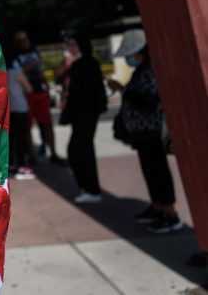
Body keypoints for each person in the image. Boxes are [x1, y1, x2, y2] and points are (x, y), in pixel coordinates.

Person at [109, 29, 183, 233]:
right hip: (142, 133)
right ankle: (157, 206)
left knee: (158, 172)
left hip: (152, 131)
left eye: (130, 54)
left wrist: (125, 91)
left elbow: (149, 100)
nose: (128, 59)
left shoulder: (150, 70)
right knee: (150, 171)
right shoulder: (142, 70)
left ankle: (170, 213)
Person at [61, 34, 107, 203]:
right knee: (81, 150)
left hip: (85, 113)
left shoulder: (85, 64)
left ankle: (90, 188)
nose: (71, 49)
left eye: (74, 45)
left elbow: (81, 92)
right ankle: (88, 187)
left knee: (80, 150)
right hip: (85, 114)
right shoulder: (84, 64)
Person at [13, 31, 65, 165]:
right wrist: (31, 66)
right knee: (28, 127)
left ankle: (53, 153)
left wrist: (46, 86)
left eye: (25, 39)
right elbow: (17, 72)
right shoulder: (15, 56)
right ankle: (32, 156)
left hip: (40, 91)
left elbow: (41, 71)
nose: (24, 42)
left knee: (47, 123)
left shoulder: (34, 51)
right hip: (26, 94)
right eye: (20, 40)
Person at [6, 53, 36, 180]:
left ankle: (11, 164)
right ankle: (21, 165)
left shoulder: (3, 73)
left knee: (11, 138)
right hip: (21, 108)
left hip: (9, 109)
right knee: (22, 138)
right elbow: (29, 89)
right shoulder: (17, 72)